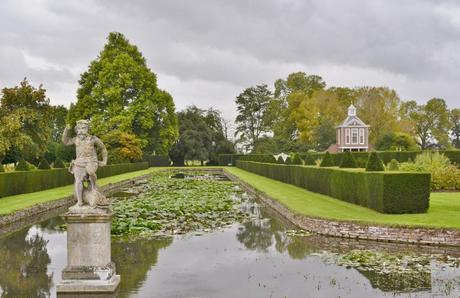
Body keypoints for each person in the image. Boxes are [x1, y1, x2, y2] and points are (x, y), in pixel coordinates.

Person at [62, 120, 108, 206]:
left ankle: (94, 187)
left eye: (83, 128)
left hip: (92, 161)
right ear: (76, 130)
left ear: (88, 129)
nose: (81, 130)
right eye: (79, 128)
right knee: (78, 181)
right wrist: (66, 130)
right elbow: (65, 141)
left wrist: (104, 160)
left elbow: (103, 148)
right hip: (79, 162)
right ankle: (80, 201)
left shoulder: (93, 139)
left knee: (90, 172)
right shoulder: (76, 139)